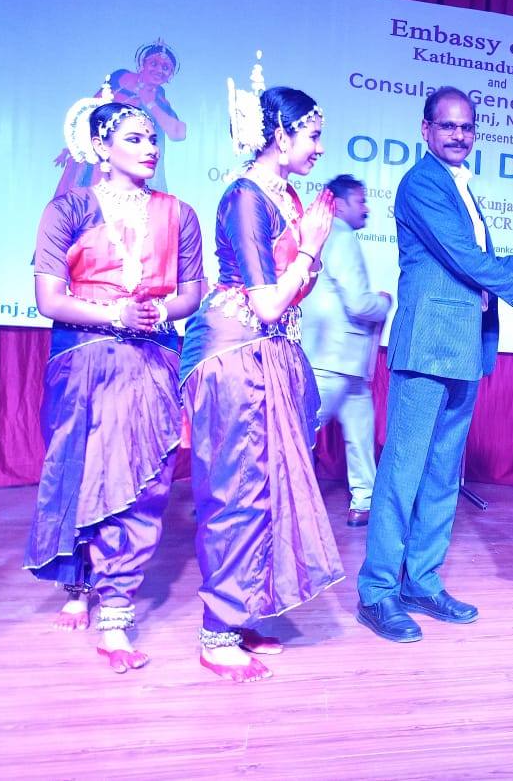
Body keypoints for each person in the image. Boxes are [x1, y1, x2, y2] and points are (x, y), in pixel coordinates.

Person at [355, 86, 513, 643]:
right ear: (425, 129)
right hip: (427, 345)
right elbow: (462, 257)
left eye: (467, 127)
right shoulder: (422, 183)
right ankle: (377, 590)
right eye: (448, 125)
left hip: (463, 347)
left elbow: (461, 262)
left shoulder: (460, 186)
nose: (459, 135)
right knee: (402, 473)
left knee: (442, 474)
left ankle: (421, 581)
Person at [26, 96, 205, 672]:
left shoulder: (179, 213)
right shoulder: (68, 209)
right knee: (85, 471)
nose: (150, 148)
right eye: (134, 138)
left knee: (143, 480)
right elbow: (50, 299)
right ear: (100, 148)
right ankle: (79, 581)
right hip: (84, 358)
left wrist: (155, 311)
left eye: (153, 139)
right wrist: (116, 315)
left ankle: (117, 610)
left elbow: (192, 292)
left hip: (151, 357)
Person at [180, 66, 344, 682]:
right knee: (237, 492)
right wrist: (312, 247)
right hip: (236, 354)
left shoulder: (289, 198)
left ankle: (244, 613)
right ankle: (216, 632)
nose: (320, 147)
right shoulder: (245, 196)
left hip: (271, 352)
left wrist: (309, 251)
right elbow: (270, 302)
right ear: (280, 134)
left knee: (267, 490)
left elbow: (290, 296)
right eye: (312, 135)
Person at [302, 174, 391, 528]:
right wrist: (384, 303)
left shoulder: (325, 237)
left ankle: (364, 502)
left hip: (342, 360)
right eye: (360, 201)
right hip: (333, 358)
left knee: (360, 431)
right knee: (298, 432)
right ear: (339, 205)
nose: (366, 208)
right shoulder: (340, 238)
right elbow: (357, 303)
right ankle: (252, 492)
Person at [54, 40, 186, 195]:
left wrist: (150, 104)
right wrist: (74, 145)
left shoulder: (160, 99)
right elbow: (93, 110)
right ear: (143, 63)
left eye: (165, 68)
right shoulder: (119, 78)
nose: (159, 70)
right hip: (99, 155)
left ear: (170, 75)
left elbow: (179, 134)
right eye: (154, 63)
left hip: (128, 164)